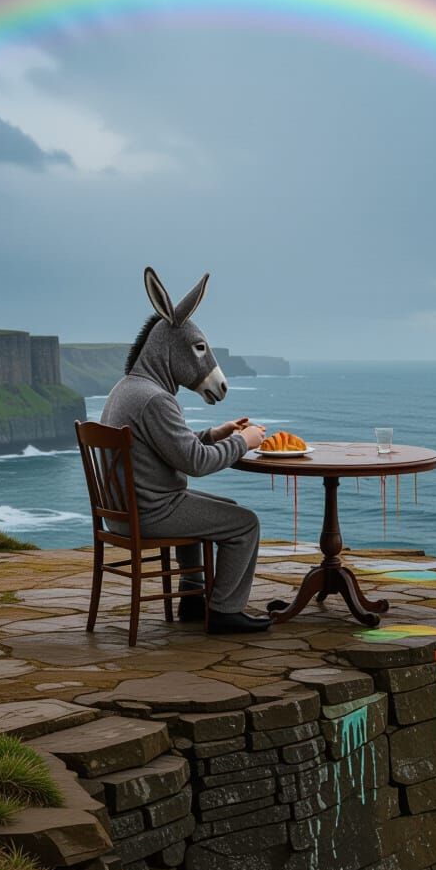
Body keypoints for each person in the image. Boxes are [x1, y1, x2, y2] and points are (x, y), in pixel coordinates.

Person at [101, 267, 272, 634]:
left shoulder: (127, 389)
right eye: (199, 351)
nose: (208, 365)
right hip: (152, 512)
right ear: (171, 347)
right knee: (246, 524)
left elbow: (165, 446)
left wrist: (215, 433)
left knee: (228, 509)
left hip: (123, 511)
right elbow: (194, 464)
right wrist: (244, 442)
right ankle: (226, 611)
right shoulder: (155, 400)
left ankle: (193, 599)